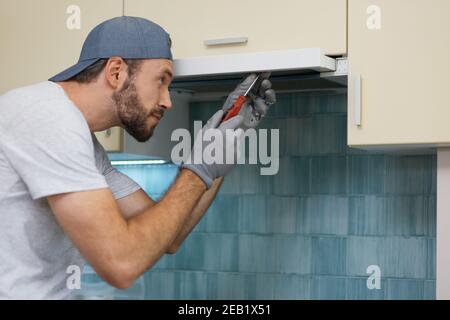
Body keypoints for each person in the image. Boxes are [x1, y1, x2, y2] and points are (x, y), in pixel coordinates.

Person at [0, 16, 275, 299]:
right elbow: (121, 263)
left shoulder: (82, 141)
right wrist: (198, 170)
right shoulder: (46, 118)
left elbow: (168, 235)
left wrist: (229, 132)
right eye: (161, 81)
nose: (168, 100)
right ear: (116, 72)